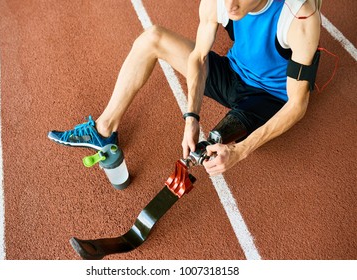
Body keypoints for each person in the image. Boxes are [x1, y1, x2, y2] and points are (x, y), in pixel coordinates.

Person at [48, 0, 322, 176]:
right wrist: (191, 117)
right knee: (151, 38)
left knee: (214, 142)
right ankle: (103, 131)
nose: (230, 6)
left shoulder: (299, 18)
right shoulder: (223, 2)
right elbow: (199, 57)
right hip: (233, 72)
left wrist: (241, 150)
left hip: (270, 97)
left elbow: (298, 104)